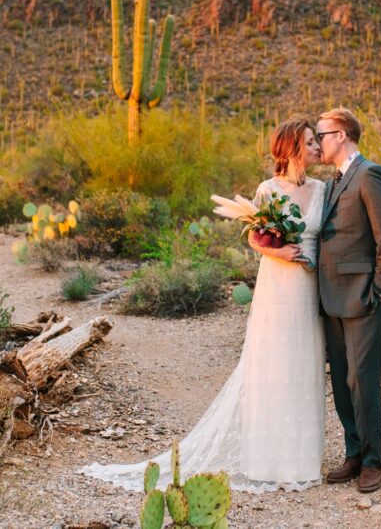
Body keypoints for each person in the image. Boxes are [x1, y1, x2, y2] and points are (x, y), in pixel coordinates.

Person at [78, 115, 327, 492]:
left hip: (309, 288)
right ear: (292, 146)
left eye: (316, 142)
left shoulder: (323, 189)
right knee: (274, 364)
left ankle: (301, 459)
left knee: (304, 363)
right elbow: (254, 240)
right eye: (309, 142)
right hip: (277, 286)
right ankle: (269, 459)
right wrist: (281, 252)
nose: (316, 148)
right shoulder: (267, 189)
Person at [315, 107, 381, 493]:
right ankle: (353, 452)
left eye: (320, 134)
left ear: (342, 134)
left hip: (363, 296)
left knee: (362, 381)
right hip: (331, 298)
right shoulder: (335, 181)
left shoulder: (370, 174)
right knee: (341, 381)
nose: (316, 141)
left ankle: (373, 461)